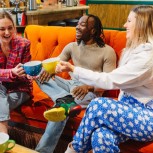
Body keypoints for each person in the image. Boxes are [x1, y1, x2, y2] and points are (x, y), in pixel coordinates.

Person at [55, 5, 153, 153]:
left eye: (129, 21)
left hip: (146, 118)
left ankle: (73, 150)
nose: (124, 25)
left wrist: (74, 69)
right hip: (127, 111)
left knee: (97, 105)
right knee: (100, 136)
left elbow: (109, 80)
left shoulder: (147, 58)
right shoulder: (132, 51)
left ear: (141, 25)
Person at [35, 14, 117, 152]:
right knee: (37, 73)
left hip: (90, 92)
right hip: (69, 86)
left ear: (93, 31)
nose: (77, 27)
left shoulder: (107, 52)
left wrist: (89, 87)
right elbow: (56, 64)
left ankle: (41, 151)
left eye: (82, 25)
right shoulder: (71, 46)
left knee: (61, 111)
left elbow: (109, 82)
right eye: (78, 24)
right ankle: (64, 100)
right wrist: (48, 70)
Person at [0, 10, 32, 134]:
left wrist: (26, 73)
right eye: (2, 29)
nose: (7, 32)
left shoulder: (24, 44)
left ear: (14, 27)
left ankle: (3, 138)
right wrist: (11, 72)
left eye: (10, 28)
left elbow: (26, 75)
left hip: (19, 88)